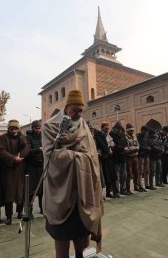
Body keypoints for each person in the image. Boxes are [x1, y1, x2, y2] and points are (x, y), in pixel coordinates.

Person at [42, 90, 103, 258]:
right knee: (61, 239)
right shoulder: (50, 127)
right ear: (66, 108)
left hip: (84, 190)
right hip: (61, 190)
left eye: (80, 110)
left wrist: (83, 159)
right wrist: (80, 157)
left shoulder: (84, 127)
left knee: (82, 238)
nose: (77, 114)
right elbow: (50, 155)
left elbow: (92, 156)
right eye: (74, 110)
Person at [0, 119, 28, 225]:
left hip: (20, 168)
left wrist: (21, 157)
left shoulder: (22, 137)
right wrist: (14, 158)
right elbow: (1, 151)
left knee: (21, 192)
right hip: (8, 169)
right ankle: (8, 216)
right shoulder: (3, 138)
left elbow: (26, 148)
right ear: (8, 128)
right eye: (12, 128)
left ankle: (20, 212)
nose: (14, 130)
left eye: (16, 128)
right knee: (8, 194)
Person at [25, 120, 44, 216]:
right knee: (31, 191)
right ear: (32, 128)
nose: (38, 130)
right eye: (36, 128)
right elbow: (27, 152)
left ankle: (42, 209)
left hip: (41, 167)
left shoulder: (43, 137)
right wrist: (39, 149)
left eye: (39, 128)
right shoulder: (28, 138)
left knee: (42, 190)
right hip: (31, 167)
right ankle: (29, 211)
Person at [125, 124, 142, 193]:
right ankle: (128, 189)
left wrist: (133, 148)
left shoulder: (134, 136)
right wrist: (135, 148)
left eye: (133, 130)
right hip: (129, 157)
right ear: (128, 130)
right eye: (131, 130)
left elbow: (138, 146)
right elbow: (127, 148)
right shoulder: (125, 137)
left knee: (136, 172)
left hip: (135, 156)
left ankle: (136, 187)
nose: (132, 132)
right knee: (129, 173)